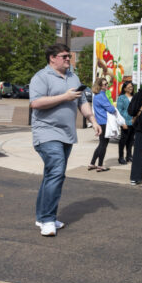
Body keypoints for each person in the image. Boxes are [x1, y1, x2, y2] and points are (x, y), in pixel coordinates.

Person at [30, 43, 100, 236]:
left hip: (67, 135)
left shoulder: (73, 77)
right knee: (57, 171)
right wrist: (64, 96)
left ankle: (41, 216)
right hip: (46, 132)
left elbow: (82, 102)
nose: (69, 59)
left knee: (52, 174)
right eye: (64, 56)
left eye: (69, 56)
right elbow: (35, 103)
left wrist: (92, 120)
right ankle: (48, 220)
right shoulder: (41, 77)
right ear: (52, 58)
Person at [88, 77, 116, 172]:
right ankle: (99, 165)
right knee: (103, 145)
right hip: (104, 123)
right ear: (100, 86)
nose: (107, 85)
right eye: (105, 84)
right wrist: (112, 107)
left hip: (101, 122)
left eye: (107, 83)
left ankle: (92, 163)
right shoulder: (101, 96)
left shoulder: (98, 95)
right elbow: (111, 109)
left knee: (101, 144)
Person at [116, 81, 135, 165]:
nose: (131, 88)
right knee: (123, 140)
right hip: (125, 122)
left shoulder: (134, 97)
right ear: (124, 88)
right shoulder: (121, 98)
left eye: (132, 86)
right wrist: (123, 123)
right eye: (129, 86)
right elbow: (119, 111)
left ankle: (129, 156)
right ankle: (121, 157)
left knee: (131, 140)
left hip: (133, 122)